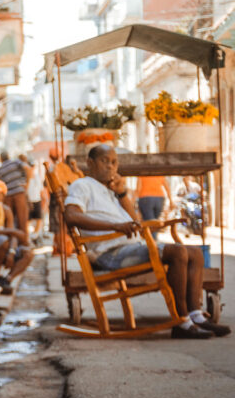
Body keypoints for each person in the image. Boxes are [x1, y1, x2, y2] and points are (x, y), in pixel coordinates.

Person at [63, 145, 230, 339]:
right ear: (90, 163)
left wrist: (122, 194)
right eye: (104, 161)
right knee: (178, 252)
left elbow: (136, 223)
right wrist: (115, 227)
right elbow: (71, 216)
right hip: (109, 253)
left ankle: (196, 316)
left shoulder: (108, 190)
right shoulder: (83, 185)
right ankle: (181, 321)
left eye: (114, 162)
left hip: (129, 247)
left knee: (195, 253)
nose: (110, 167)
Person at [0, 151, 31, 246]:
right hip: (19, 193)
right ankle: (24, 243)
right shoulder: (16, 162)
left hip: (8, 195)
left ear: (1, 159)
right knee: (22, 220)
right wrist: (27, 184)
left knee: (9, 220)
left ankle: (11, 243)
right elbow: (27, 168)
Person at [135, 175, 172, 241]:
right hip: (159, 198)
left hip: (145, 197)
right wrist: (171, 201)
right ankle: (153, 242)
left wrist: (133, 201)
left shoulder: (142, 173)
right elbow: (167, 187)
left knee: (150, 222)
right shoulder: (159, 173)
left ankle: (153, 243)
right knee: (154, 222)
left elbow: (138, 189)